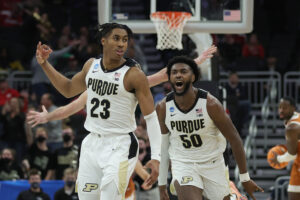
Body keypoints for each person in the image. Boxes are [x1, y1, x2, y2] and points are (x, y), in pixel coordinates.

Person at [35, 23, 162, 200]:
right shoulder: (91, 66)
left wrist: (156, 157)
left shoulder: (133, 74)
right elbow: (68, 88)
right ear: (103, 40)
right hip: (91, 144)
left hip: (120, 145)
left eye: (125, 40)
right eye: (116, 38)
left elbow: (151, 117)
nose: (121, 44)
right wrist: (45, 64)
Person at [156, 56, 263, 200]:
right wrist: (162, 184)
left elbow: (235, 139)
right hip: (183, 163)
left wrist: (245, 178)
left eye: (183, 71)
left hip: (212, 163)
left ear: (193, 77)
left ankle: (234, 195)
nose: (178, 75)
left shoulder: (210, 104)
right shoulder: (163, 107)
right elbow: (164, 145)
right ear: (169, 78)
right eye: (174, 72)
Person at [270, 97, 300, 200]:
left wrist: (278, 159)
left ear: (293, 108)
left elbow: (292, 155)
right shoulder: (295, 119)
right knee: (292, 194)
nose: (281, 110)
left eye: (285, 108)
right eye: (280, 107)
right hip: (298, 164)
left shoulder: (292, 127)